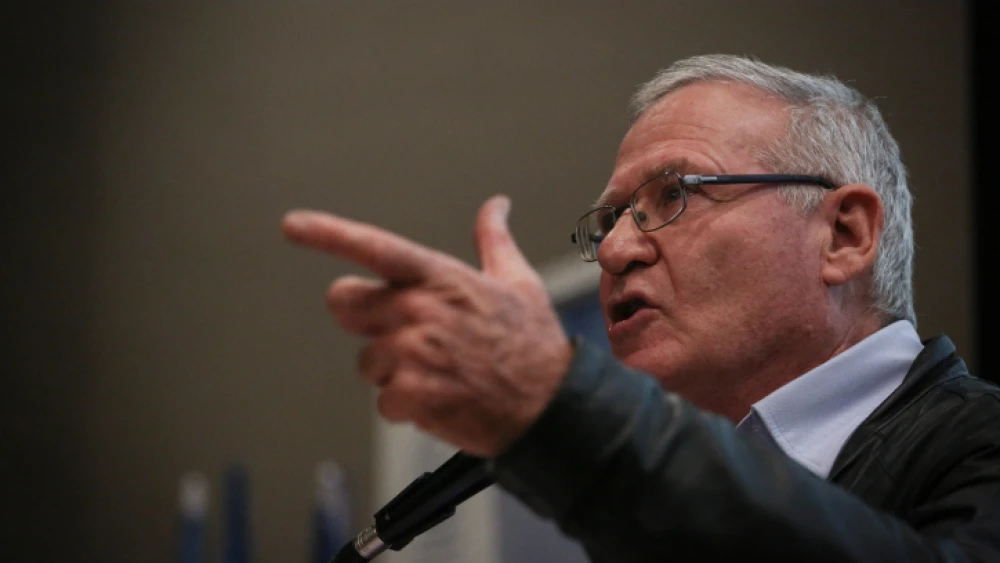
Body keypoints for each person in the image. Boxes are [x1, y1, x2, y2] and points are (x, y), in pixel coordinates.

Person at [281, 54, 1000, 561]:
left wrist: (560, 405)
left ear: (843, 235)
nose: (618, 248)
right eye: (610, 220)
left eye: (673, 195)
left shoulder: (982, 442)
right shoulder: (659, 509)